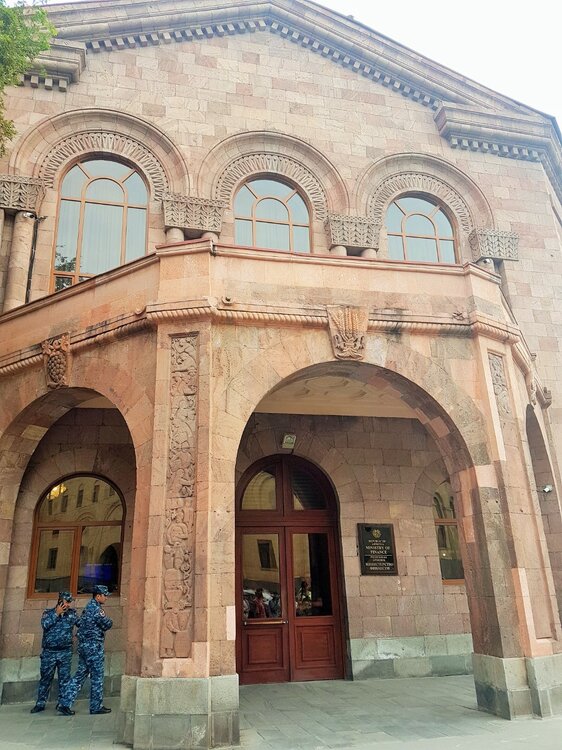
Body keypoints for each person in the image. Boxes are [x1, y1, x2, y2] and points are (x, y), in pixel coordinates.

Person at [57, 584, 113, 716]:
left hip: (84, 647)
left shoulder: (88, 607)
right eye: (105, 595)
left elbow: (81, 623)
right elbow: (107, 624)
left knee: (80, 675)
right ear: (98, 596)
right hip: (93, 647)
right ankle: (96, 706)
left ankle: (64, 703)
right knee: (97, 676)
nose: (106, 598)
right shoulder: (96, 609)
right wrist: (109, 621)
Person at [30, 591, 78, 713]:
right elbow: (45, 625)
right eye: (67, 602)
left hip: (65, 652)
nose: (68, 605)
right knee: (46, 678)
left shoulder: (72, 614)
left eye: (70, 602)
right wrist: (56, 613)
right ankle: (40, 703)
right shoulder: (48, 613)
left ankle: (63, 705)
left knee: (65, 680)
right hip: (49, 653)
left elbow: (81, 624)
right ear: (60, 601)